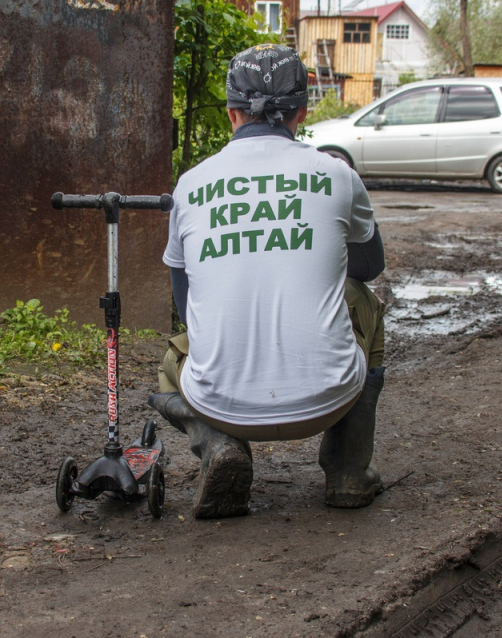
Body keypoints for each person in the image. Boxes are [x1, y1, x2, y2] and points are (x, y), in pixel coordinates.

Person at [148, 43, 387, 519]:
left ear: (232, 112)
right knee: (363, 300)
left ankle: (219, 446)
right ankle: (347, 474)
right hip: (331, 399)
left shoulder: (192, 184)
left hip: (218, 402)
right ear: (301, 111)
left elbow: (185, 289)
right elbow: (369, 265)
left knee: (170, 365)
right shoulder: (337, 174)